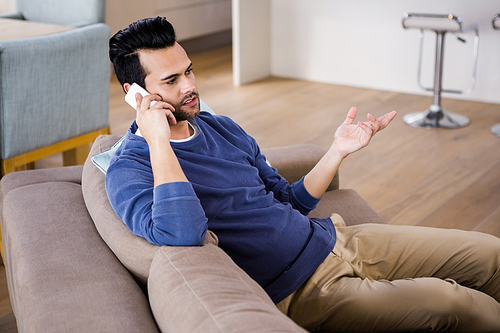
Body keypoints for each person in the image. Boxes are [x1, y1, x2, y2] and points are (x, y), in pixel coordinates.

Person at [106, 17, 500, 332]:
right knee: (458, 303)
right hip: (303, 291)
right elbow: (183, 233)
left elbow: (286, 199)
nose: (191, 86)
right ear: (135, 92)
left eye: (189, 71)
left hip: (337, 239)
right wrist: (158, 141)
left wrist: (337, 152)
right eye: (172, 81)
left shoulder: (219, 126)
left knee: (490, 253)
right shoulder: (130, 167)